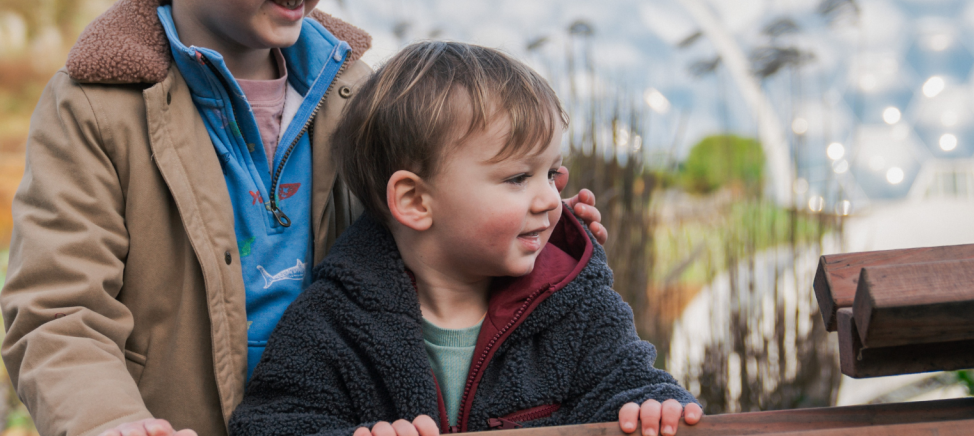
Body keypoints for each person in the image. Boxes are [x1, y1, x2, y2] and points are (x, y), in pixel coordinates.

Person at [0, 0, 610, 434]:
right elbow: (60, 309)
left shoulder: (356, 93)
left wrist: (537, 240)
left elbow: (438, 248)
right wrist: (110, 421)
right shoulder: (99, 108)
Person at [226, 42, 703, 436]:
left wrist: (650, 406)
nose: (549, 200)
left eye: (552, 172)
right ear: (414, 201)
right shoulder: (331, 323)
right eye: (518, 178)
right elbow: (270, 425)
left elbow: (628, 381)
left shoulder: (576, 304)